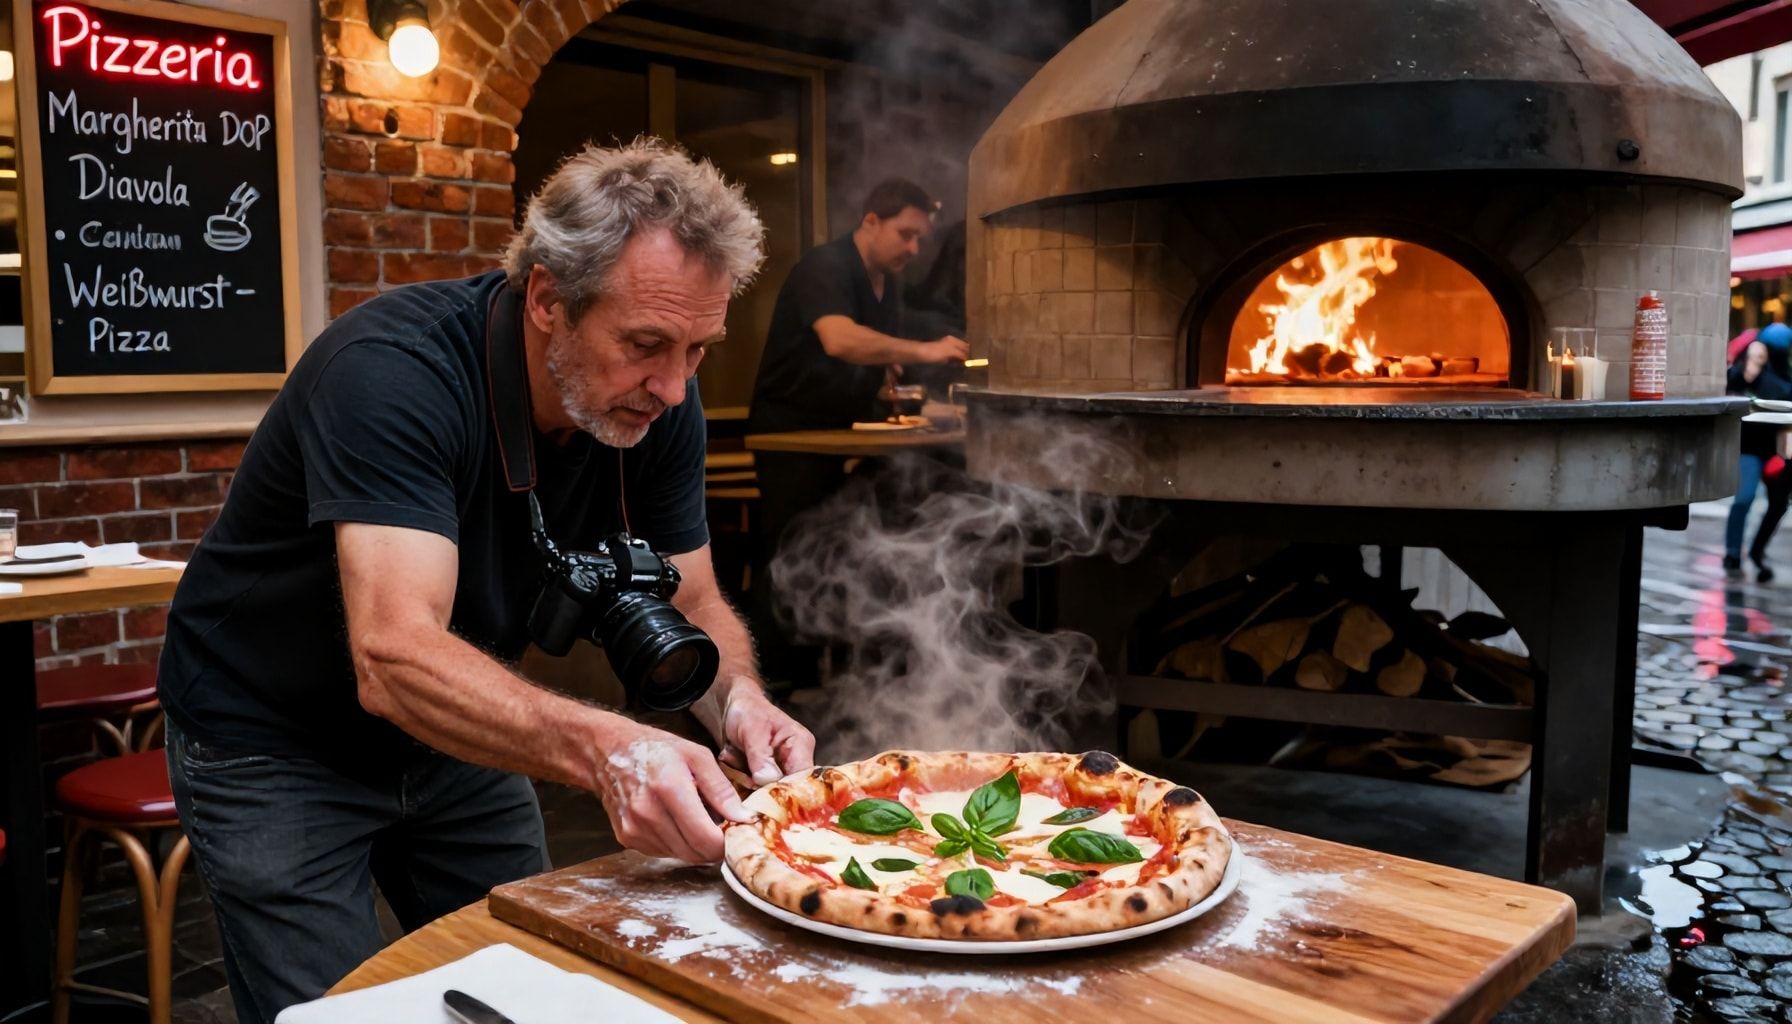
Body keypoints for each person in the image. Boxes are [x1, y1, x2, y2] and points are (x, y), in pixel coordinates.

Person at [156, 140, 816, 1023]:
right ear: (547, 298)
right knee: (341, 1013)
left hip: (453, 730)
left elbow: (691, 599)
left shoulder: (665, 396)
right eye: (647, 344)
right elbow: (394, 654)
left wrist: (740, 703)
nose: (672, 385)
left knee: (529, 984)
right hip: (275, 737)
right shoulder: (393, 371)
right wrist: (611, 749)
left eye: (699, 348)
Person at [745, 179, 969, 684]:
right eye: (905, 235)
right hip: (790, 432)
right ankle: (772, 680)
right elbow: (840, 339)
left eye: (919, 239)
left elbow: (877, 362)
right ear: (871, 221)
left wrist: (919, 399)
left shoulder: (885, 284)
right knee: (789, 549)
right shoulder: (826, 266)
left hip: (839, 429)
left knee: (841, 540)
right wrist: (926, 350)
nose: (913, 249)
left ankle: (846, 670)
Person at [1726, 322, 1792, 582]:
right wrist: (1750, 365)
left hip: (1778, 451)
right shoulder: (1748, 369)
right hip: (1750, 447)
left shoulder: (1783, 376)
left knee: (1778, 503)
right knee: (1744, 498)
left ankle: (1757, 551)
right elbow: (1730, 383)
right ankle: (1733, 552)